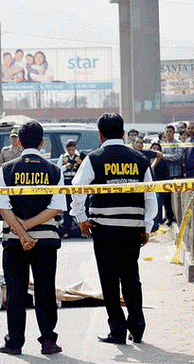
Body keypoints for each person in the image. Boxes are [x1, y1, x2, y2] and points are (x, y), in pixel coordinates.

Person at [70, 112, 156, 345]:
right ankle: (137, 327)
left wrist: (80, 218)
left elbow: (77, 188)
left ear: (100, 135)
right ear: (122, 131)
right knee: (131, 277)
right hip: (132, 228)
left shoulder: (94, 158)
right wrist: (147, 226)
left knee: (109, 279)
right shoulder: (140, 159)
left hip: (104, 229)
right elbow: (150, 197)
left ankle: (117, 330)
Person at [0, 120, 65, 356]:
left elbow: (3, 207)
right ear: (42, 142)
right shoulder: (55, 170)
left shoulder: (6, 169)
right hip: (46, 240)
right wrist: (29, 227)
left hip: (14, 242)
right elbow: (57, 207)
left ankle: (14, 342)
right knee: (45, 289)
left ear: (20, 142)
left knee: (15, 290)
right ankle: (48, 341)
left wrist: (22, 231)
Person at [56, 139, 86, 238]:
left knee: (81, 206)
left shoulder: (81, 156)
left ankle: (83, 230)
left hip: (78, 184)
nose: (71, 152)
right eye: (69, 150)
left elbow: (87, 170)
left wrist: (81, 163)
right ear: (66, 149)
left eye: (73, 150)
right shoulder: (63, 157)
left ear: (76, 148)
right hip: (67, 183)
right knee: (68, 209)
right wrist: (65, 167)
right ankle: (67, 231)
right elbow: (58, 170)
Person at [160, 125, 183, 224]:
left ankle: (176, 217)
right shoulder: (162, 144)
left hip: (176, 174)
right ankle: (168, 216)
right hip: (165, 175)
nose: (168, 133)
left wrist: (162, 156)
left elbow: (177, 156)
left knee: (176, 198)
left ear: (174, 133)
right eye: (167, 131)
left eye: (170, 131)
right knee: (166, 198)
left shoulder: (178, 144)